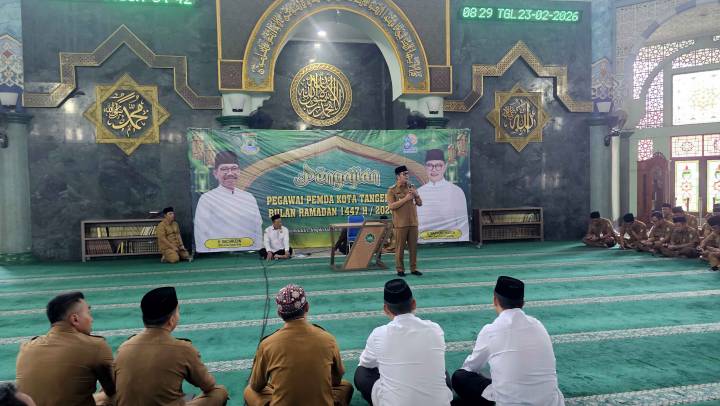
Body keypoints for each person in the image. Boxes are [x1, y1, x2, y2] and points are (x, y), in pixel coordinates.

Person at [452, 276, 565, 406]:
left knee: (460, 377)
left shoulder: (491, 330)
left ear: (495, 300)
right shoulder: (538, 325)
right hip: (550, 402)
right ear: (523, 303)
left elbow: (471, 367)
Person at [113, 287, 228, 405]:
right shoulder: (183, 349)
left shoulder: (124, 347)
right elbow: (208, 385)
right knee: (219, 391)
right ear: (171, 320)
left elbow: (113, 388)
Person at [244, 284, 353, 406]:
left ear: (279, 313)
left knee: (250, 391)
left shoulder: (267, 344)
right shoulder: (328, 339)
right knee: (345, 386)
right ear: (307, 307)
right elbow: (337, 379)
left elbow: (257, 385)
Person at [354, 279, 452, 406]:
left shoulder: (378, 334)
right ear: (414, 304)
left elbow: (366, 364)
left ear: (386, 309)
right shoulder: (435, 329)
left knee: (361, 373)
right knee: (441, 371)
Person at [15, 292, 115, 406]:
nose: (91, 319)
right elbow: (113, 390)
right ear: (75, 319)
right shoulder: (95, 346)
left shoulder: (26, 347)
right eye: (88, 313)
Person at [194, 150, 262, 252]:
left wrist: (257, 250)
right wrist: (206, 253)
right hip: (218, 254)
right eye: (224, 169)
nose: (230, 173)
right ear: (215, 173)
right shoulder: (207, 199)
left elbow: (257, 227)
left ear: (239, 172)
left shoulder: (249, 198)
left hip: (247, 252)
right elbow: (201, 232)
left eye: (234, 168)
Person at [416, 149, 469, 242]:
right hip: (424, 240)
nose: (434, 169)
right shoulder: (418, 192)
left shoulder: (456, 191)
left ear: (444, 167)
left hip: (452, 241)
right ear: (425, 168)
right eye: (430, 165)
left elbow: (463, 224)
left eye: (438, 165)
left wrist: (462, 241)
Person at [386, 165, 423, 276]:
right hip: (400, 224)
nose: (407, 176)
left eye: (407, 173)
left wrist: (416, 195)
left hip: (413, 223)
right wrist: (406, 199)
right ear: (398, 176)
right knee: (400, 248)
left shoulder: (412, 187)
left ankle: (413, 268)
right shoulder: (392, 190)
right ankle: (400, 269)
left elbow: (420, 203)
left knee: (413, 248)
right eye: (404, 174)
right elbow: (391, 206)